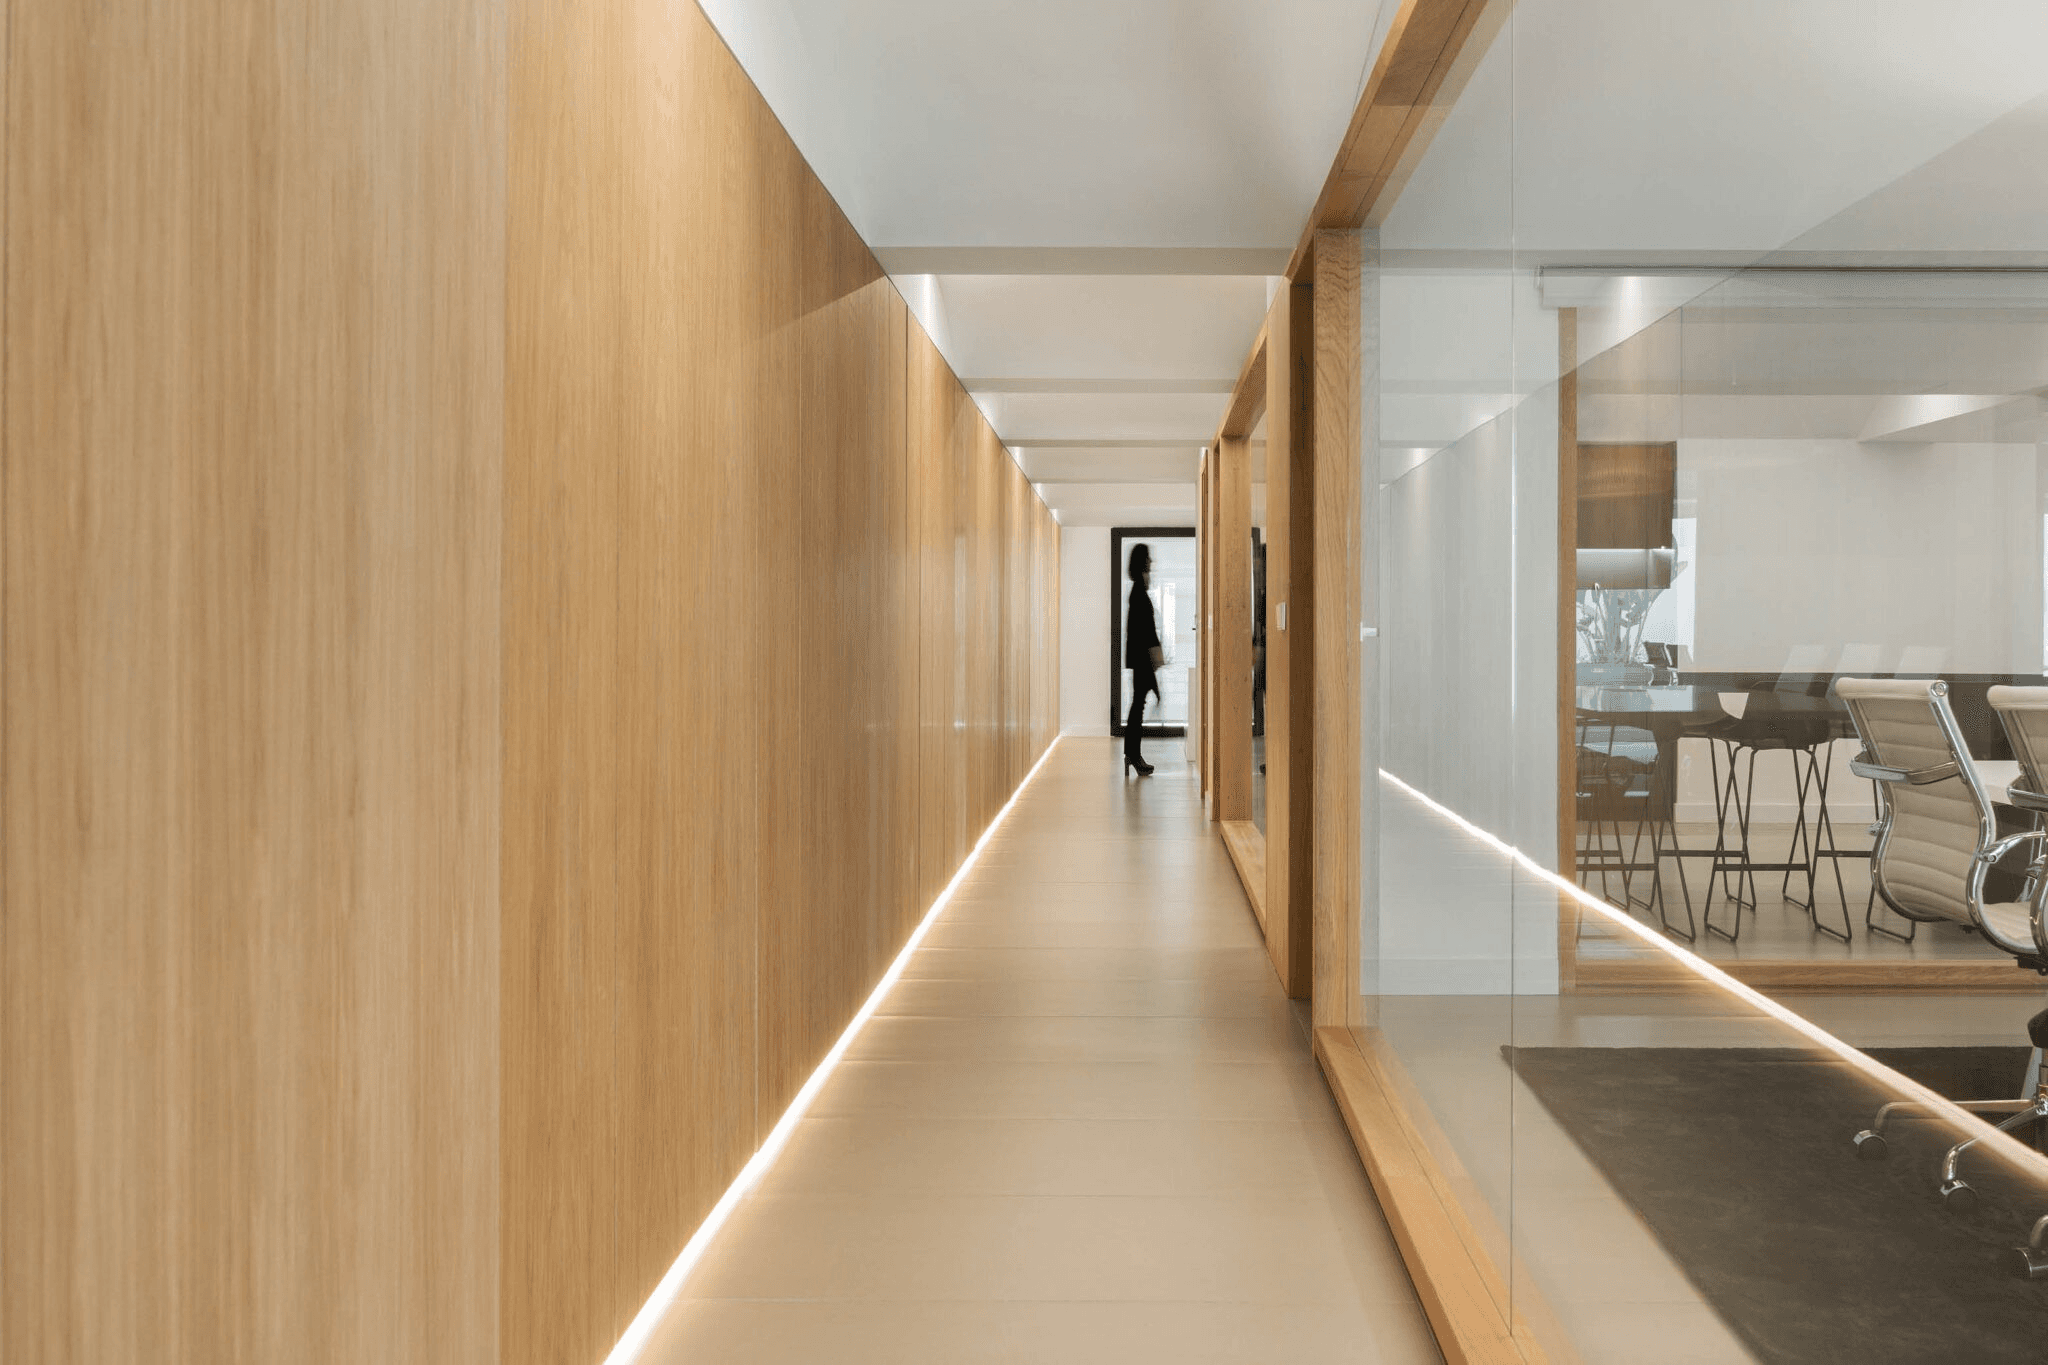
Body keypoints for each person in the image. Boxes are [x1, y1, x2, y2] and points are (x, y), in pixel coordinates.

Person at [1123, 542, 1163, 776]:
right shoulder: (1139, 592)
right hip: (1142, 658)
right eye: (1148, 558)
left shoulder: (1139, 590)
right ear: (1142, 562)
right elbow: (1145, 631)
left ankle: (1132, 755)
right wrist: (1154, 658)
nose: (1151, 562)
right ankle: (1133, 755)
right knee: (1138, 706)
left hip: (1140, 658)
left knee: (1138, 705)